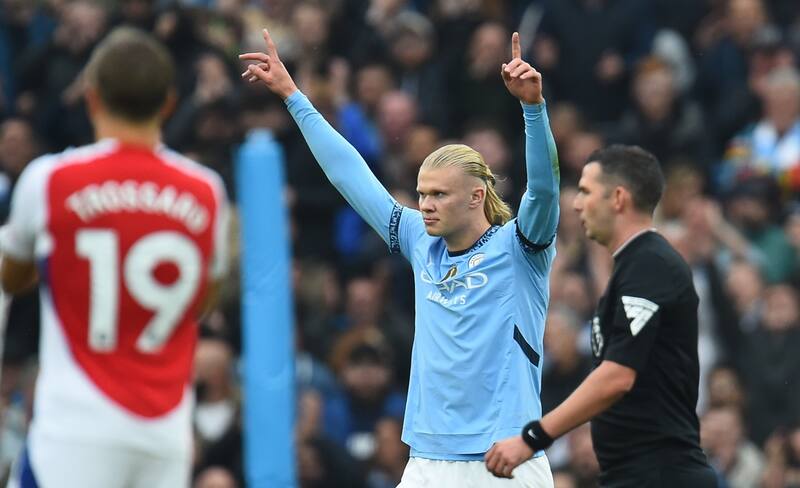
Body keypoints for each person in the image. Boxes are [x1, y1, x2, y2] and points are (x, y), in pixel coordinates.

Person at [241, 29, 559, 486]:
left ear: (476, 196)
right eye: (421, 194)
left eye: (438, 195)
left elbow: (545, 189)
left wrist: (533, 109)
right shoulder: (418, 240)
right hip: (427, 458)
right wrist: (293, 96)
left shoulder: (522, 248)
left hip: (505, 454)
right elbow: (350, 174)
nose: (425, 204)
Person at [0, 27, 229, 488]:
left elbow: (11, 273)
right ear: (168, 103)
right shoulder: (206, 191)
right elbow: (204, 299)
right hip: (164, 434)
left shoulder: (50, 180)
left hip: (75, 430)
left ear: (91, 98)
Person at [486, 145, 717, 487]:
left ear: (618, 198)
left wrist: (533, 437)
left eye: (585, 191)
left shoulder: (650, 264)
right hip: (633, 474)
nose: (577, 204)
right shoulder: (631, 267)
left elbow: (617, 376)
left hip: (662, 474)